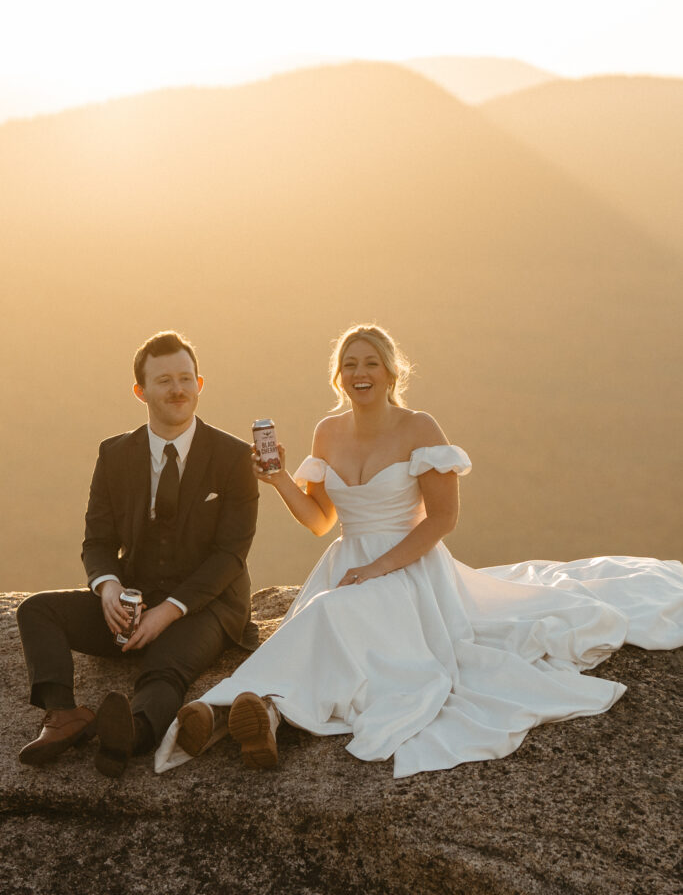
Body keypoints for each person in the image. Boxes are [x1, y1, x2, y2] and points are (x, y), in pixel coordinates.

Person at [155, 324, 683, 778]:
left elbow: (445, 519)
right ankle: (254, 717)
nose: (361, 372)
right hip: (345, 561)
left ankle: (231, 707)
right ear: (339, 376)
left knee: (328, 620)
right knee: (326, 627)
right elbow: (321, 522)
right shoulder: (327, 431)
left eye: (372, 363)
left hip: (409, 567)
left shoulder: (420, 429)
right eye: (349, 364)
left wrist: (379, 569)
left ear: (390, 372)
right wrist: (278, 483)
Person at [17, 330, 258, 777]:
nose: (178, 389)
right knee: (37, 611)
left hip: (208, 604)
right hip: (135, 597)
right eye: (164, 380)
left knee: (165, 666)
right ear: (140, 391)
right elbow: (98, 541)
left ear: (200, 384)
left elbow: (230, 554)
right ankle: (64, 714)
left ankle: (134, 733)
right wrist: (107, 588)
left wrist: (169, 611)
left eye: (186, 378)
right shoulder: (114, 455)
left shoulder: (233, 457)